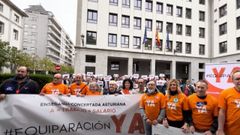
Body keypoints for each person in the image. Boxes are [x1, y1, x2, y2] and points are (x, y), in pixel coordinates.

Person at [217, 70, 240, 135]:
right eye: (237, 79)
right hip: (231, 131)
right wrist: (220, 129)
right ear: (232, 81)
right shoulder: (225, 93)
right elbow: (222, 112)